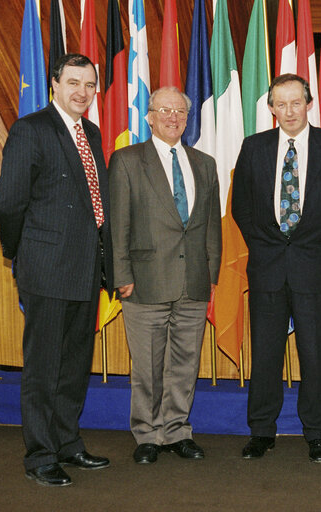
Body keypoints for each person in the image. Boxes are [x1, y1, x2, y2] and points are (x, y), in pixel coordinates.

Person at [0, 53, 113, 487]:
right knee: (44, 368)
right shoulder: (31, 130)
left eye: (89, 85)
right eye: (73, 83)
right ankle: (40, 456)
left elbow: (95, 205)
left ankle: (67, 443)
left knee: (74, 365)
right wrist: (22, 254)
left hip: (86, 271)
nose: (82, 92)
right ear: (54, 85)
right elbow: (9, 203)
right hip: (47, 269)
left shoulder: (93, 133)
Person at [232, 74, 321, 463]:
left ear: (309, 103)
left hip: (314, 268)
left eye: (296, 102)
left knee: (315, 355)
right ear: (270, 108)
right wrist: (264, 248)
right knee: (265, 355)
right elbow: (241, 208)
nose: (288, 111)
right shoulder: (254, 147)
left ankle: (317, 432)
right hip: (267, 268)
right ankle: (261, 431)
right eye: (280, 104)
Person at [109, 86, 222, 465]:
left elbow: (210, 227)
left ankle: (176, 431)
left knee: (185, 363)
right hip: (142, 282)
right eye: (164, 110)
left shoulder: (204, 163)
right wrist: (120, 274)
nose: (173, 117)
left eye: (180, 112)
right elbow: (118, 225)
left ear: (187, 119)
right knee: (146, 365)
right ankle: (147, 434)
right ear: (149, 117)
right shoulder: (126, 160)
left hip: (193, 281)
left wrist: (212, 274)